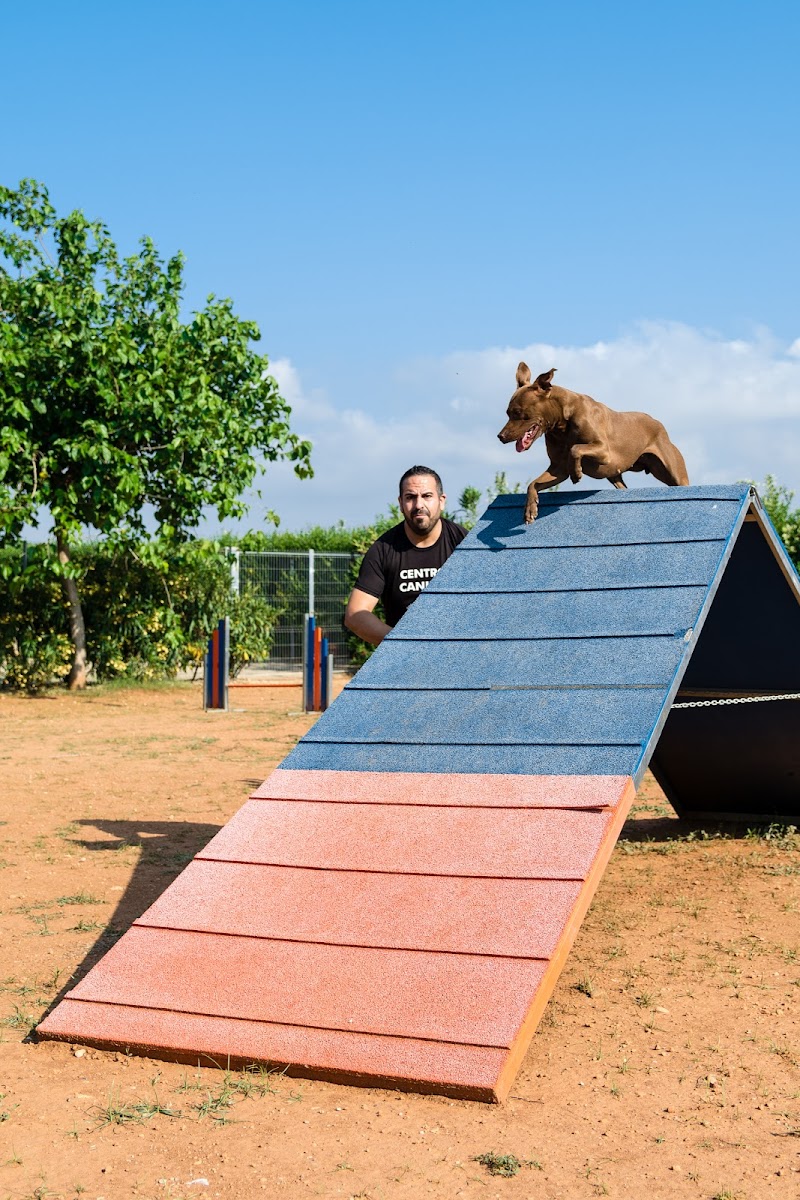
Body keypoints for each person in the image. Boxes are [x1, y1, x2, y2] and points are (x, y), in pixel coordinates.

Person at [344, 465, 467, 646]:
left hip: (458, 654)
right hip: (404, 662)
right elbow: (355, 614)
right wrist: (404, 645)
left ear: (442, 501)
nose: (419, 505)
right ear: (401, 503)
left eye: (427, 496)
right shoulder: (383, 550)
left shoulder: (463, 543)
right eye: (410, 497)